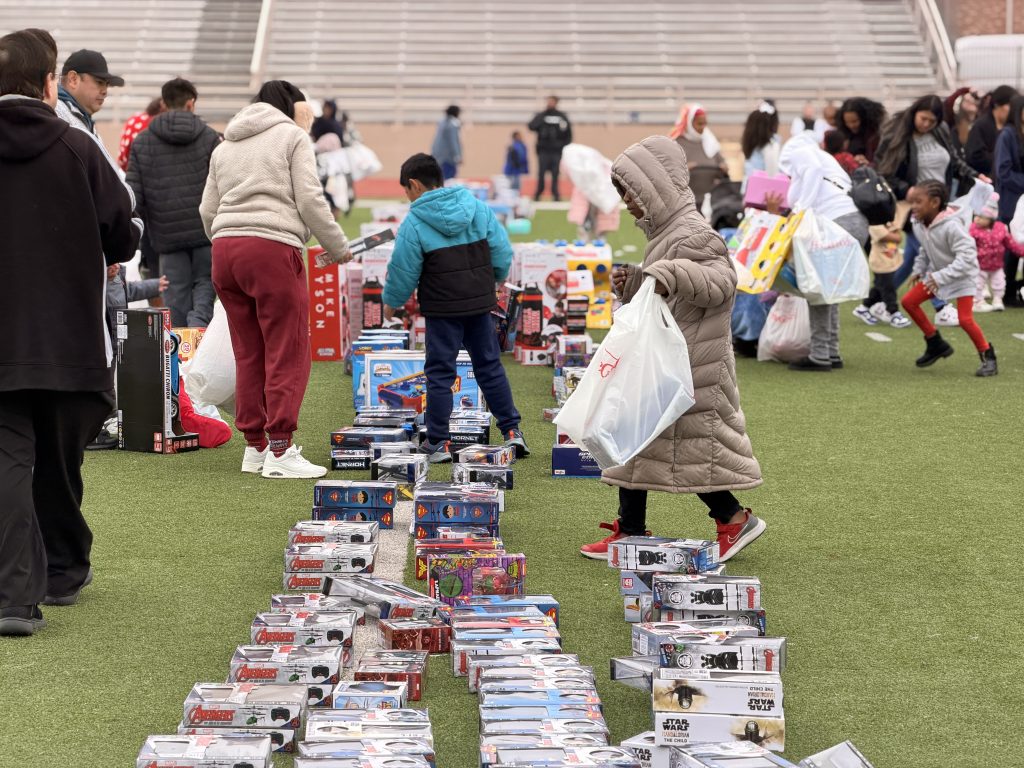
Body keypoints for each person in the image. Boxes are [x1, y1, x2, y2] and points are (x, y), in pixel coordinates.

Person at [0, 29, 138, 636]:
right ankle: (62, 569)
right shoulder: (76, 146)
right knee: (59, 458)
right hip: (69, 335)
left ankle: (13, 597)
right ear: (51, 82)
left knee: (8, 461)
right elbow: (124, 232)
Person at [580, 135, 764, 562]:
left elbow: (720, 283)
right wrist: (641, 281)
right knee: (638, 439)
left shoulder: (694, 233)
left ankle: (734, 518)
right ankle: (631, 529)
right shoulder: (669, 232)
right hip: (669, 356)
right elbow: (671, 286)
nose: (628, 204)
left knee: (691, 448)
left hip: (692, 360)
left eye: (633, 194)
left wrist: (665, 272)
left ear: (656, 188)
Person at [200, 80, 352, 479]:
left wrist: (225, 239)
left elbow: (207, 209)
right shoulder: (291, 136)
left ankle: (256, 446)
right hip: (271, 247)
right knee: (286, 349)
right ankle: (281, 450)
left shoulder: (225, 145)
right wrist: (337, 247)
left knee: (248, 351)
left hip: (225, 249)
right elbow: (310, 199)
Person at [380, 153, 530, 464]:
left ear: (415, 185)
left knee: (439, 374)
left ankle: (438, 441)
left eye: (406, 191)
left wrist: (391, 303)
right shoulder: (477, 208)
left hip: (442, 308)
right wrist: (496, 280)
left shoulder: (415, 222)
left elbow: (403, 269)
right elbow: (502, 251)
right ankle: (512, 431)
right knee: (489, 366)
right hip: (479, 303)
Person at [877, 94, 986, 325]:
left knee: (912, 259)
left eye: (931, 121)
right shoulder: (898, 133)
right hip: (913, 206)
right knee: (928, 251)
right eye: (923, 118)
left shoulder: (941, 131)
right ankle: (941, 306)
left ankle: (876, 301)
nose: (926, 124)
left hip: (939, 205)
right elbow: (884, 171)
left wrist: (976, 177)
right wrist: (907, 190)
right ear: (915, 112)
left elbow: (955, 162)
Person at [769, 133, 870, 371]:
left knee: (818, 288)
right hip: (854, 222)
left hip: (836, 223)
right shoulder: (824, 158)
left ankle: (820, 354)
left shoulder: (800, 151)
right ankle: (831, 351)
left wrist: (800, 210)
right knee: (829, 289)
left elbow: (812, 170)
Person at [127, 78, 220, 328]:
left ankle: (179, 352)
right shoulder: (210, 138)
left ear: (164, 104)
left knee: (174, 293)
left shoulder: (142, 141)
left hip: (166, 237)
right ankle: (199, 327)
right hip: (205, 232)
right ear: (191, 104)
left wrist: (141, 241)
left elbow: (135, 197)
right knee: (204, 284)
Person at [900, 180, 996, 377]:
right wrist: (919, 269)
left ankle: (988, 356)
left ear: (935, 202)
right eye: (913, 201)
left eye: (918, 201)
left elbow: (968, 258)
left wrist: (941, 276)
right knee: (909, 302)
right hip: (938, 275)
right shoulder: (919, 223)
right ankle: (935, 344)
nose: (914, 206)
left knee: (965, 320)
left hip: (962, 277)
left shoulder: (952, 226)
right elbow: (925, 249)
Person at [971, 192, 1024, 312]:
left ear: (990, 219)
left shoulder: (1000, 229)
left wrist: (1021, 252)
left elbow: (1011, 243)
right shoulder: (973, 230)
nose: (976, 219)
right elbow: (967, 245)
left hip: (997, 265)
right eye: (976, 216)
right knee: (978, 283)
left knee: (999, 283)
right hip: (979, 265)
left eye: (980, 217)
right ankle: (977, 301)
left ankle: (997, 300)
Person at [994, 94, 1024, 305]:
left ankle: (1016, 290)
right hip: (1011, 199)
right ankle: (1006, 291)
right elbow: (1003, 171)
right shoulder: (1008, 135)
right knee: (1011, 246)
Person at [670, 103, 729, 207]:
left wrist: (724, 166)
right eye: (699, 124)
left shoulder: (710, 141)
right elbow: (669, 174)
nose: (703, 128)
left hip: (710, 202)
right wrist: (684, 169)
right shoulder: (675, 143)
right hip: (685, 203)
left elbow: (722, 162)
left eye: (705, 124)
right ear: (688, 123)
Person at [965, 85, 1017, 178]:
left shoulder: (1011, 127)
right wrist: (1003, 157)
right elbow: (974, 157)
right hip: (984, 180)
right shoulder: (981, 125)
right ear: (997, 105)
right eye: (1009, 105)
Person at [528, 95, 572, 201]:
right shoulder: (542, 116)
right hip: (543, 150)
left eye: (552, 101)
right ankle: (539, 192)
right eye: (549, 101)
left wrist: (563, 147)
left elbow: (568, 134)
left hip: (556, 151)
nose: (550, 103)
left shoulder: (562, 117)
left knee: (555, 173)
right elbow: (531, 126)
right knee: (541, 173)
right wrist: (542, 116)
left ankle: (555, 193)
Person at [741, 102, 782, 186]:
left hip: (751, 190)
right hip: (762, 193)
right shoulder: (770, 146)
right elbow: (773, 176)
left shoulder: (752, 144)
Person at [837, 97, 887, 165]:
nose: (851, 126)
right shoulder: (845, 136)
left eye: (854, 121)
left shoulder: (876, 137)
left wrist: (867, 163)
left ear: (864, 119)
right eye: (847, 122)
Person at [431, 104, 462, 181]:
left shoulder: (442, 122)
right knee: (449, 180)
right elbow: (453, 142)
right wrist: (457, 156)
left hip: (438, 156)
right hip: (448, 157)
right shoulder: (452, 125)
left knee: (441, 178)